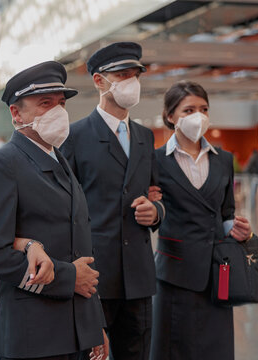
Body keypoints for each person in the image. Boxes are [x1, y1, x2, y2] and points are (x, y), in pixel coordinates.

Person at [0, 61, 108, 360]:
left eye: (61, 104)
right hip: (33, 335)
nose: (58, 112)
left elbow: (79, 249)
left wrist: (95, 325)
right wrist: (67, 278)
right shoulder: (2, 164)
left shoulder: (60, 160)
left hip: (75, 332)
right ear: (16, 113)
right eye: (44, 104)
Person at [60, 42, 164, 360]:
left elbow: (158, 194)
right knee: (92, 354)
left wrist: (156, 212)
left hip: (139, 277)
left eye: (134, 74)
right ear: (98, 80)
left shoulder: (145, 137)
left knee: (137, 352)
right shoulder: (74, 137)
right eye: (121, 74)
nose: (130, 81)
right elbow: (62, 205)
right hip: (94, 274)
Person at [148, 80, 252, 360]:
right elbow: (152, 217)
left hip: (218, 272)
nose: (199, 116)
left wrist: (238, 229)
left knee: (214, 349)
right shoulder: (155, 161)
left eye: (204, 108)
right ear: (170, 116)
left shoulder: (223, 160)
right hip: (175, 272)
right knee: (173, 349)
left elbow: (225, 214)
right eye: (189, 109)